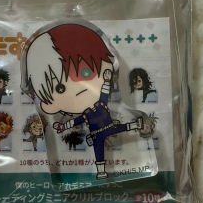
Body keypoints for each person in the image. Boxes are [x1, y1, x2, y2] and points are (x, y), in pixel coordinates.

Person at [24, 22, 142, 179]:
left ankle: (135, 125)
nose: (78, 86)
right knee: (99, 150)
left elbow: (104, 93)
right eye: (60, 88)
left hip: (109, 127)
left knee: (120, 128)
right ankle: (101, 171)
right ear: (49, 104)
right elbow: (75, 121)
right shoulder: (86, 114)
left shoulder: (101, 103)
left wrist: (106, 81)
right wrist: (63, 126)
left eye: (86, 72)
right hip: (97, 134)